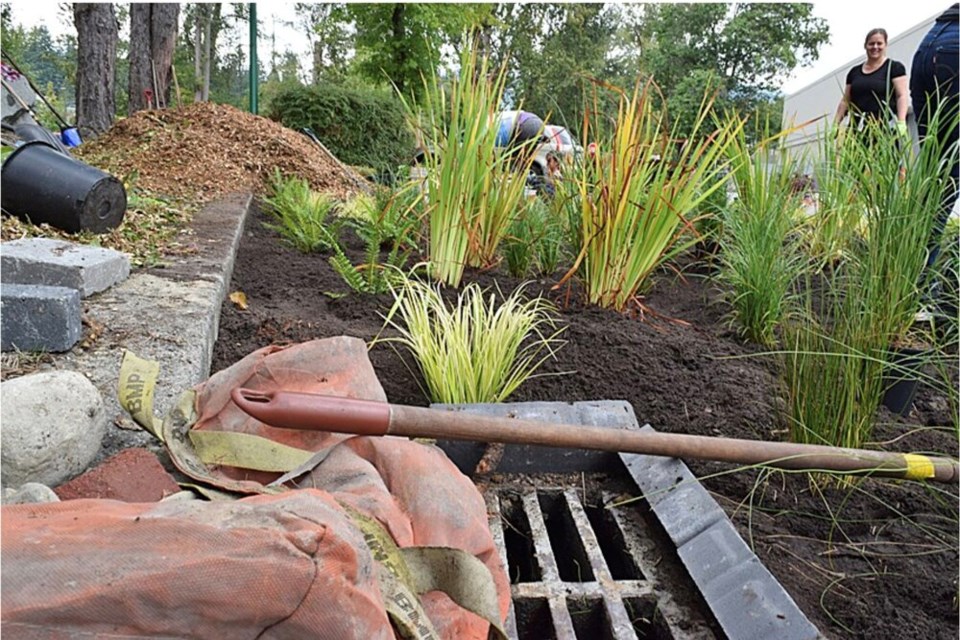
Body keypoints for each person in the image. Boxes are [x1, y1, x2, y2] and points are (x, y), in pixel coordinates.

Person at [910, 3, 959, 285]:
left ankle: (916, 286)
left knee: (936, 179)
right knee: (948, 178)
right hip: (954, 50)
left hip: (929, 43)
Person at [834, 28, 910, 140]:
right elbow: (846, 100)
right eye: (871, 44)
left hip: (884, 128)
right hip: (857, 129)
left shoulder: (894, 68)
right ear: (865, 46)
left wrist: (901, 121)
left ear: (885, 45)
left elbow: (901, 95)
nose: (875, 47)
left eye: (879, 43)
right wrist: (836, 124)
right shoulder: (854, 72)